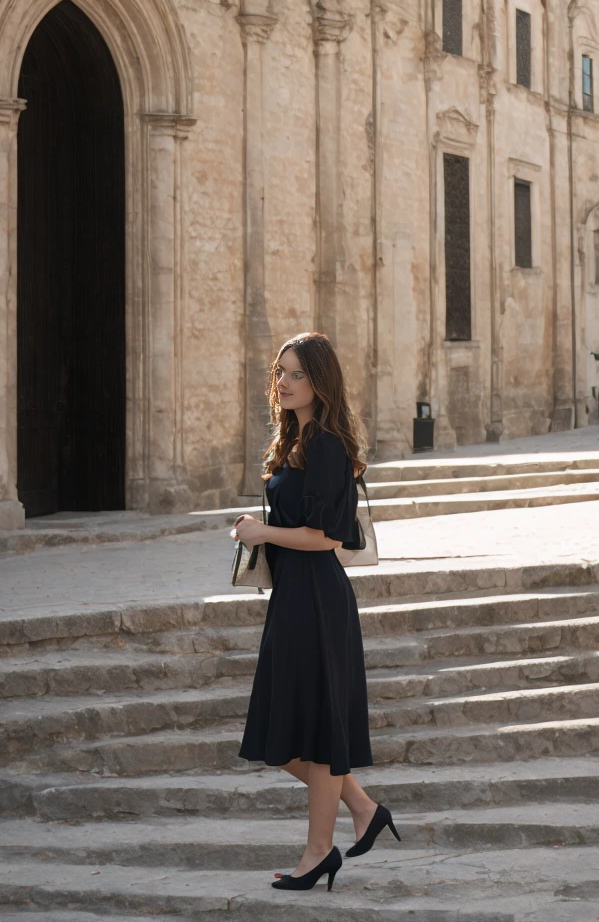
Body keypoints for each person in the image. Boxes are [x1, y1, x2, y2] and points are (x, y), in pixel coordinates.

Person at [233, 332, 399, 893]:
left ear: (320, 380)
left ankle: (318, 852)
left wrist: (261, 531)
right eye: (279, 371)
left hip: (319, 600)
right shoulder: (292, 441)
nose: (283, 382)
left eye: (296, 373)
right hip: (292, 598)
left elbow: (325, 538)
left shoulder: (326, 445)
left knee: (316, 734)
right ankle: (362, 807)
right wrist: (258, 530)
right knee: (280, 734)